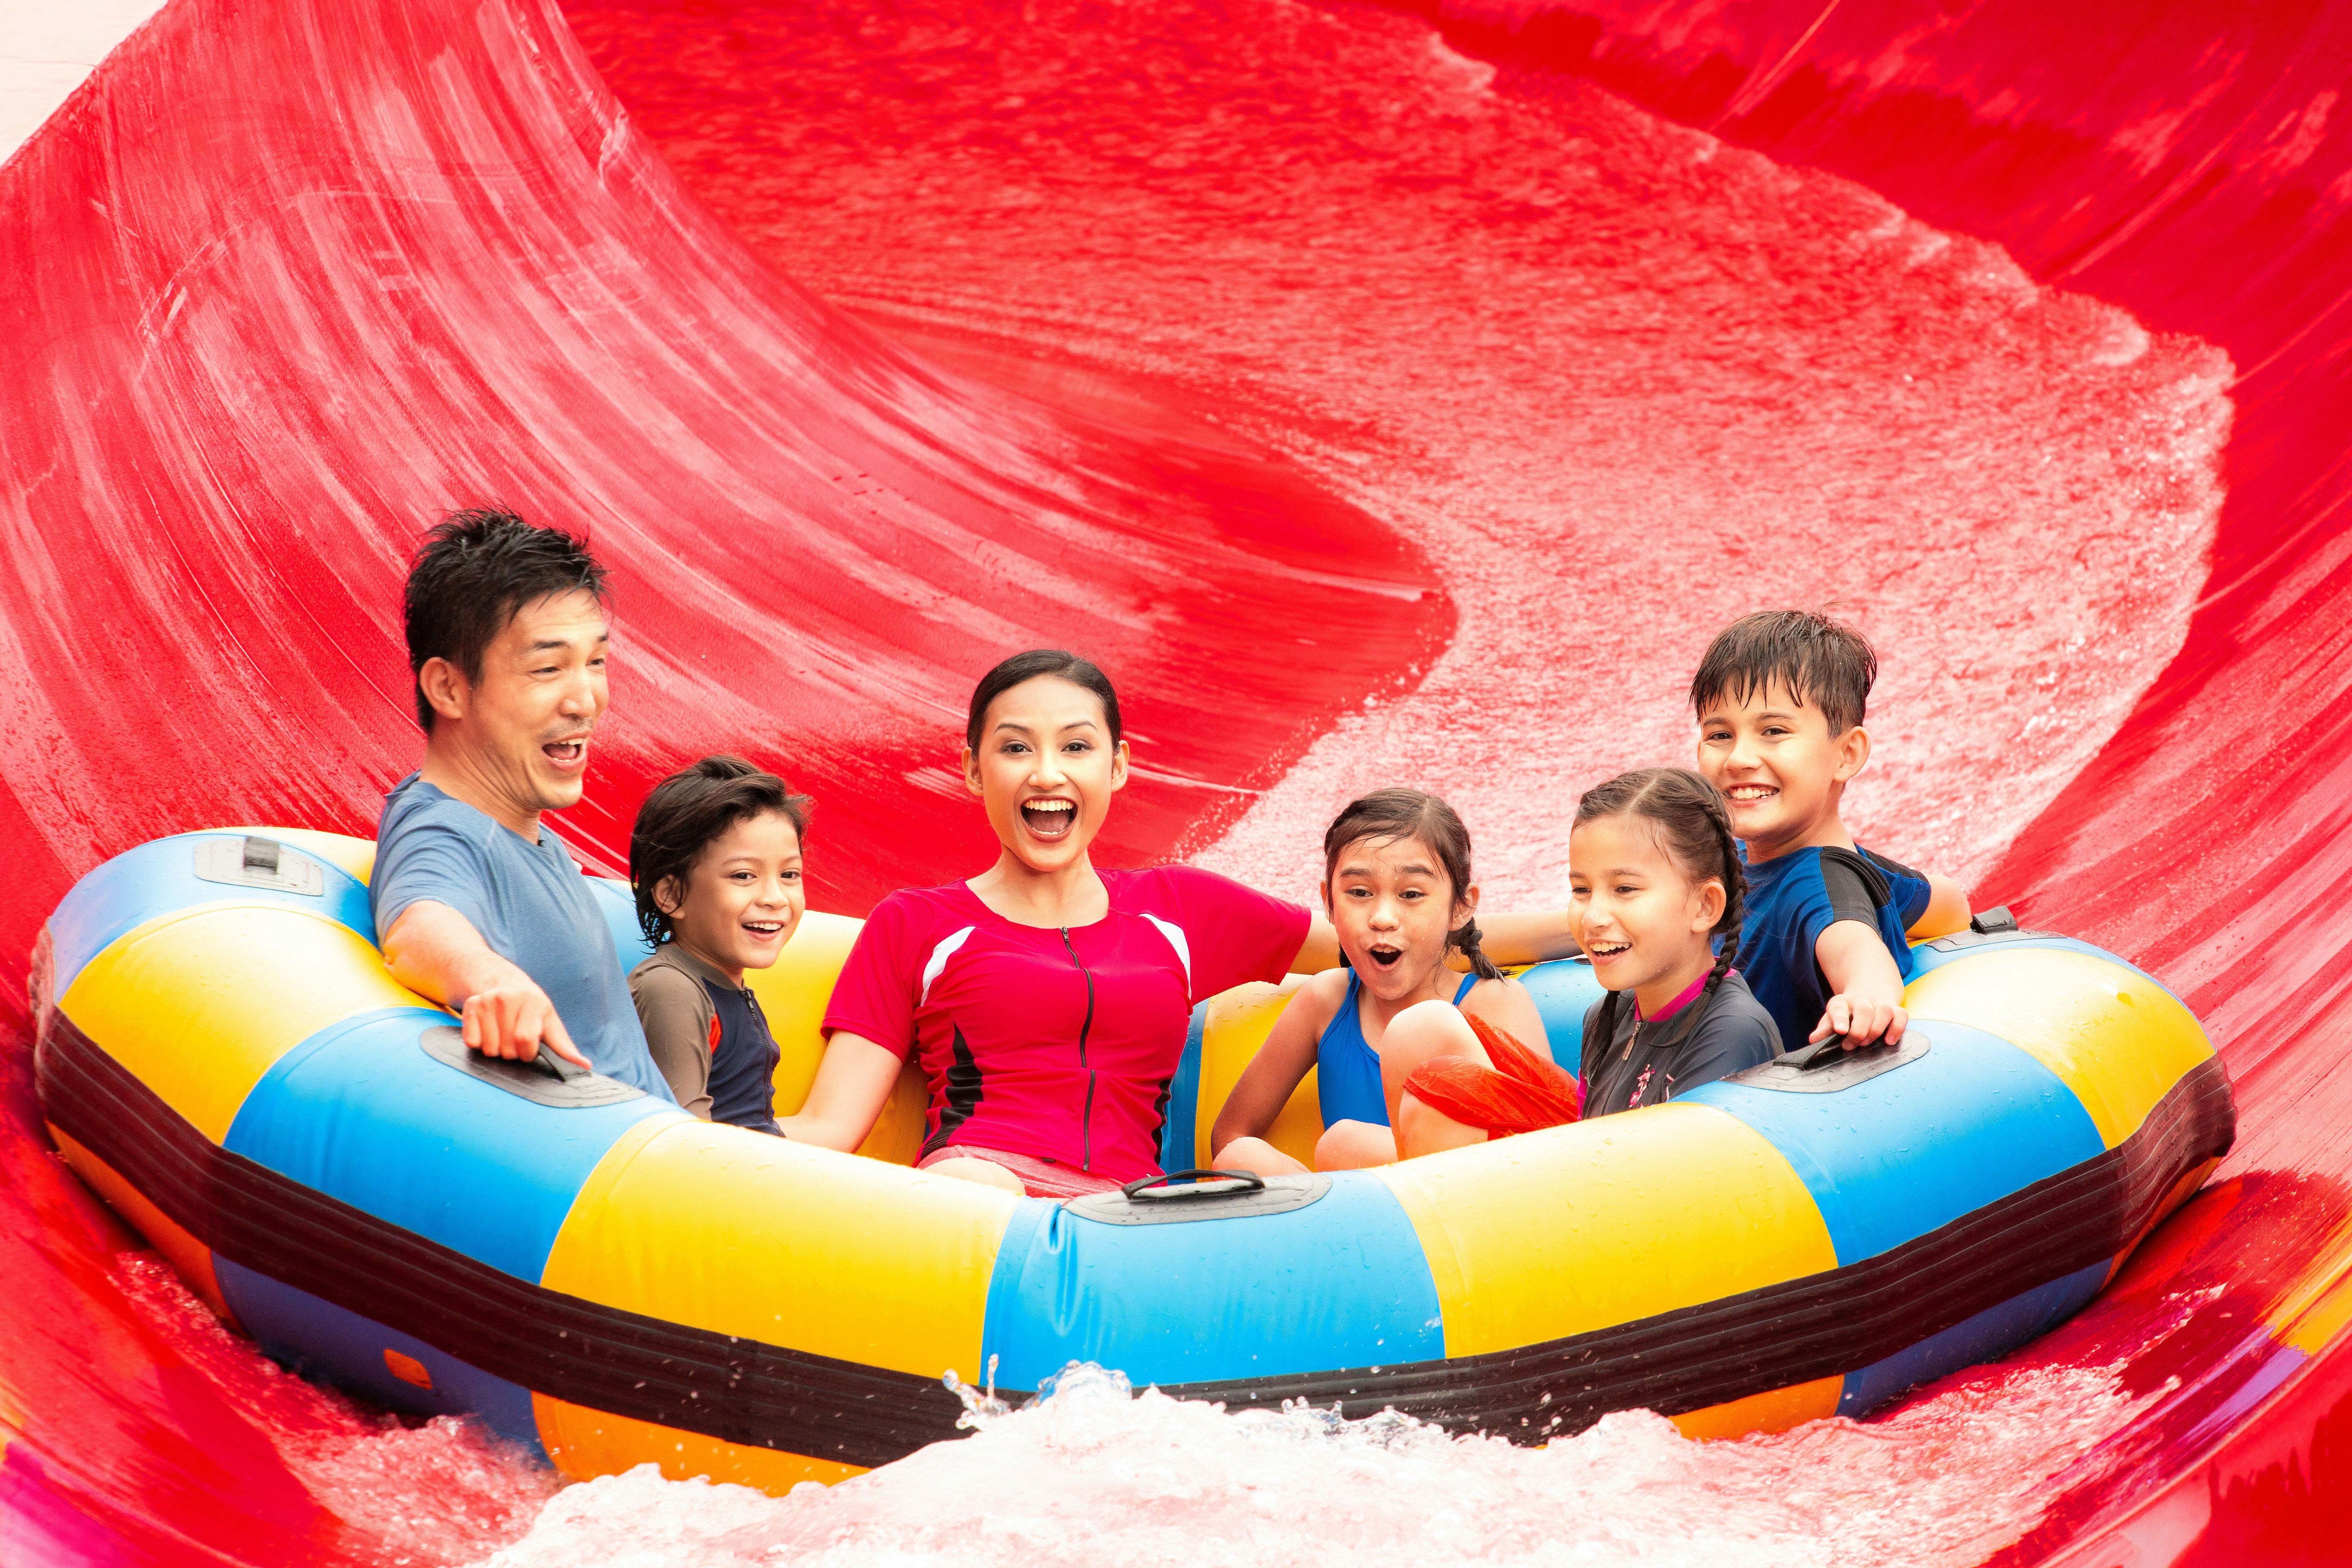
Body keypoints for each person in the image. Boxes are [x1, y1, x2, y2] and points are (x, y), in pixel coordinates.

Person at [780, 649, 1581, 1198]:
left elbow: (1386, 930)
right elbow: (829, 1125)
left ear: (1117, 765)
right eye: (1016, 748)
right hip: (981, 1184)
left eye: (1076, 746)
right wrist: (669, 1133)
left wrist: (1587, 927)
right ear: (972, 768)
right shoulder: (917, 923)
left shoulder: (1179, 909)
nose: (1047, 772)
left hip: (1133, 1211)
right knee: (971, 1189)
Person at [373, 509, 674, 1100]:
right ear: (449, 688)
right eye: (548, 668)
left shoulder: (522, 835)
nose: (586, 700)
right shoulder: (445, 831)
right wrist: (490, 979)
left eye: (596, 662)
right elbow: (419, 925)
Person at [1209, 789, 1562, 1175]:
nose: (1382, 917)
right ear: (1328, 901)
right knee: (1239, 1156)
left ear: (1461, 907)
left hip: (1473, 1201)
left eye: (1411, 894)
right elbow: (1230, 1133)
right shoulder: (1326, 1002)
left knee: (1346, 1144)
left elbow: (1545, 1148)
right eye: (1359, 893)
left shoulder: (1494, 1002)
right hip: (1356, 1213)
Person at [1690, 610, 1971, 1054]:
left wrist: (1868, 996)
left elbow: (1853, 946)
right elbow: (1949, 904)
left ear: (1846, 754)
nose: (1739, 757)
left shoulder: (1820, 885)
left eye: (1774, 731)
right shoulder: (1736, 859)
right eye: (1720, 734)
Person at [1570, 768, 1782, 1117]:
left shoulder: (1732, 1034)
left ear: (1705, 906)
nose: (1593, 917)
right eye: (1581, 890)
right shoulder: (1605, 1017)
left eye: (1625, 889)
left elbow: (1677, 1168)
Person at [627, 756, 811, 1130]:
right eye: (744, 875)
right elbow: (681, 1141)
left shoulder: (722, 985)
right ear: (672, 895)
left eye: (789, 874)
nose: (775, 897)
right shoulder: (672, 988)